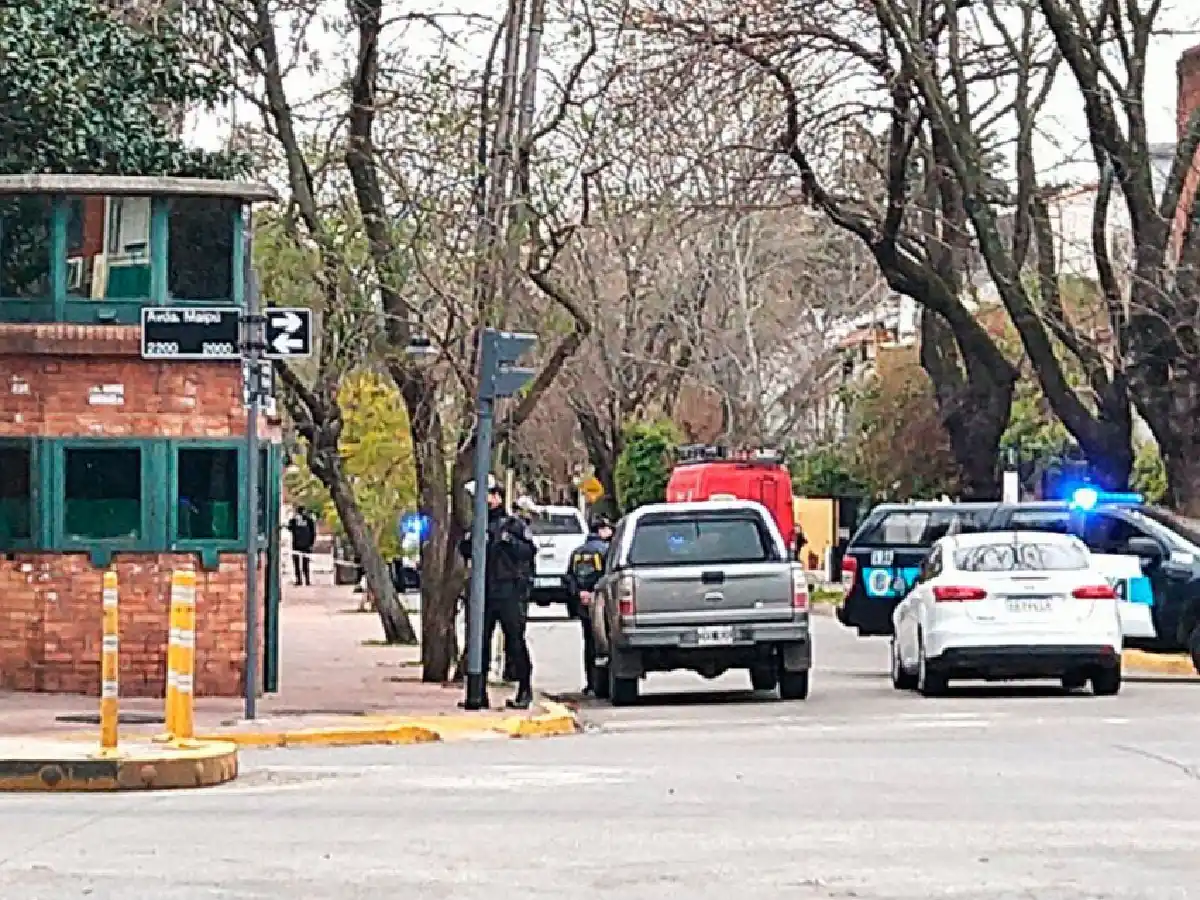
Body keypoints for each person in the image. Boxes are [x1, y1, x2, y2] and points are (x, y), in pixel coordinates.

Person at [458, 484, 537, 709]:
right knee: (480, 643)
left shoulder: (514, 525)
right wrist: (471, 541)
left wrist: (509, 541)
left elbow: (529, 551)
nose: (485, 500)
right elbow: (464, 550)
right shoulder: (479, 525)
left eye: (489, 495)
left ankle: (524, 689)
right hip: (484, 592)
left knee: (515, 642)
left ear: (498, 497)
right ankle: (478, 693)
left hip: (509, 591)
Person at [566, 514, 614, 695]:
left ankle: (590, 683)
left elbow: (569, 577)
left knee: (588, 642)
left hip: (582, 602)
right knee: (604, 642)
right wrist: (595, 593)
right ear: (601, 530)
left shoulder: (577, 552)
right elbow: (609, 576)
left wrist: (579, 593)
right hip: (601, 603)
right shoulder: (607, 550)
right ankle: (603, 683)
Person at [286, 506, 317, 586]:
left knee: (301, 563)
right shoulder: (305, 520)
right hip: (302, 545)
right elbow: (313, 533)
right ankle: (304, 580)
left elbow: (289, 528)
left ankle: (302, 580)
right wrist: (311, 544)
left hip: (299, 544)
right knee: (303, 563)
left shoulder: (306, 520)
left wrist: (311, 544)